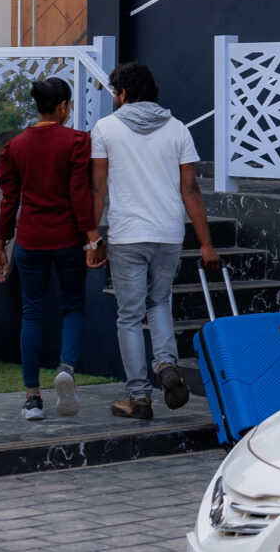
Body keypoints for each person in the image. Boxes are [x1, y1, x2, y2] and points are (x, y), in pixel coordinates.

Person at [90, 60, 217, 420]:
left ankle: (139, 396)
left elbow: (98, 187)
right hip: (168, 233)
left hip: (128, 235)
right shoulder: (177, 129)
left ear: (123, 93)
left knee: (130, 316)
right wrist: (206, 243)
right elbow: (190, 189)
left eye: (115, 92)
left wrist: (92, 237)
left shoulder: (106, 128)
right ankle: (165, 364)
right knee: (159, 302)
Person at [0, 75, 99, 420]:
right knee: (73, 306)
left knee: (32, 312)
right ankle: (66, 368)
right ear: (63, 107)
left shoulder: (15, 147)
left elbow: (9, 202)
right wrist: (92, 239)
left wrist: (0, 244)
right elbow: (80, 194)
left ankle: (32, 398)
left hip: (31, 240)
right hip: (68, 239)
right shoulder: (77, 141)